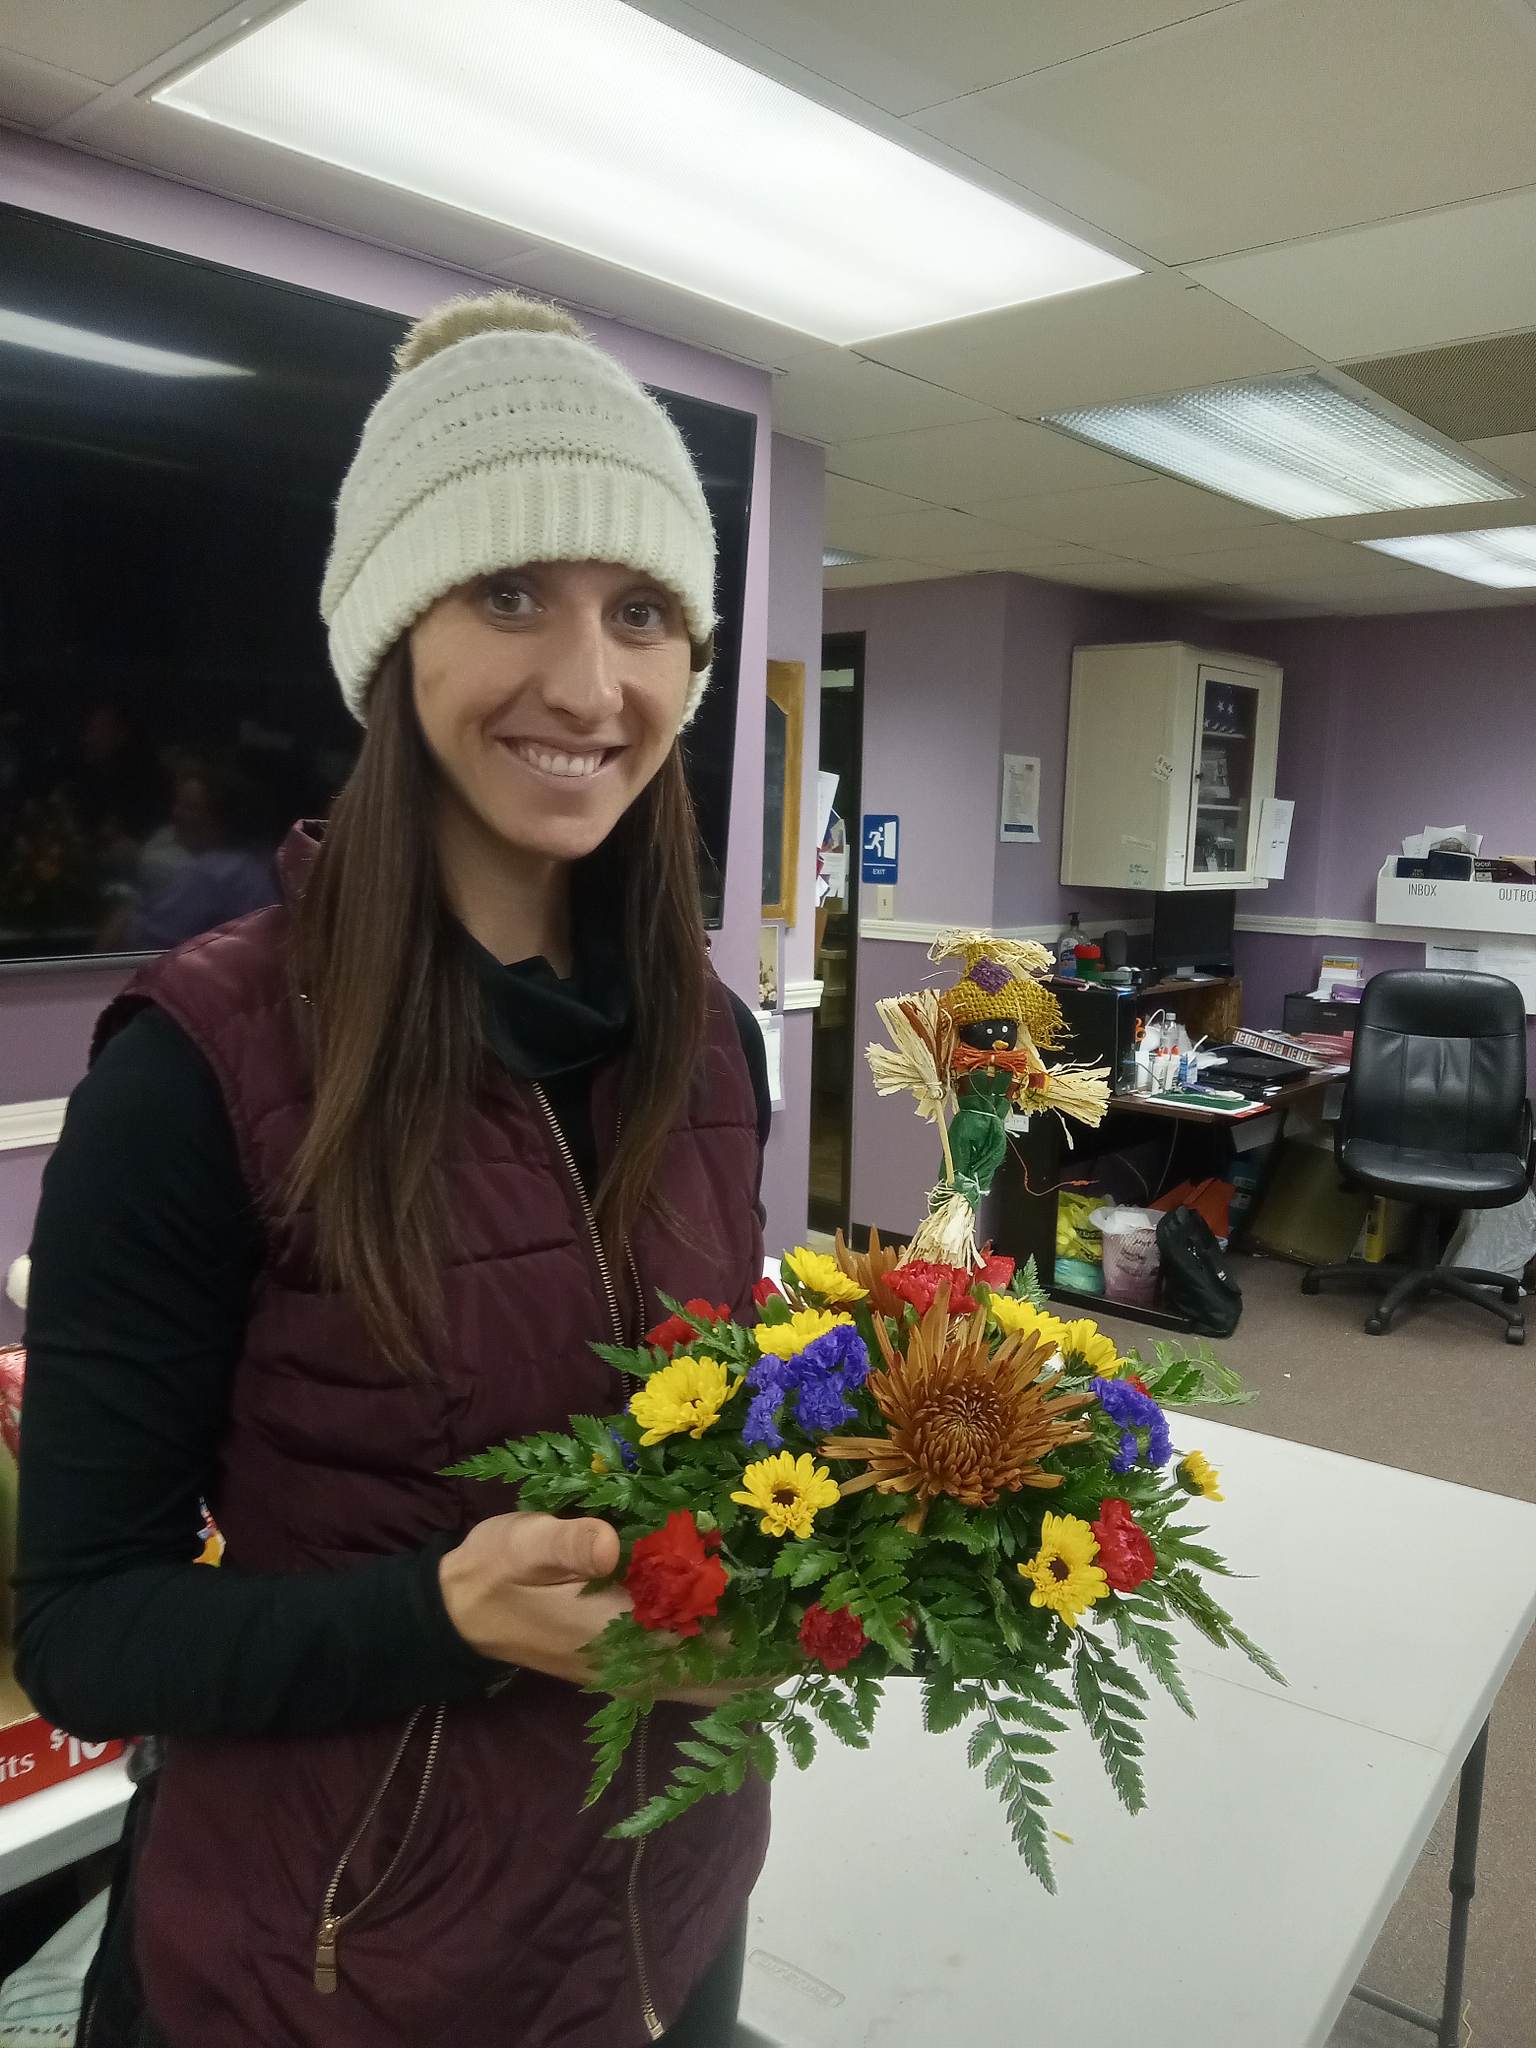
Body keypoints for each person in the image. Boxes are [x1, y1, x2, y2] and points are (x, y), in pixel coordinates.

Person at [16, 294, 773, 2048]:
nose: (589, 685)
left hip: (670, 1927)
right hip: (327, 1979)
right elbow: (85, 1629)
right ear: (389, 634)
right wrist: (439, 1616)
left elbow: (718, 1447)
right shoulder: (200, 1063)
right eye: (512, 592)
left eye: (643, 612)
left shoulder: (715, 1052)